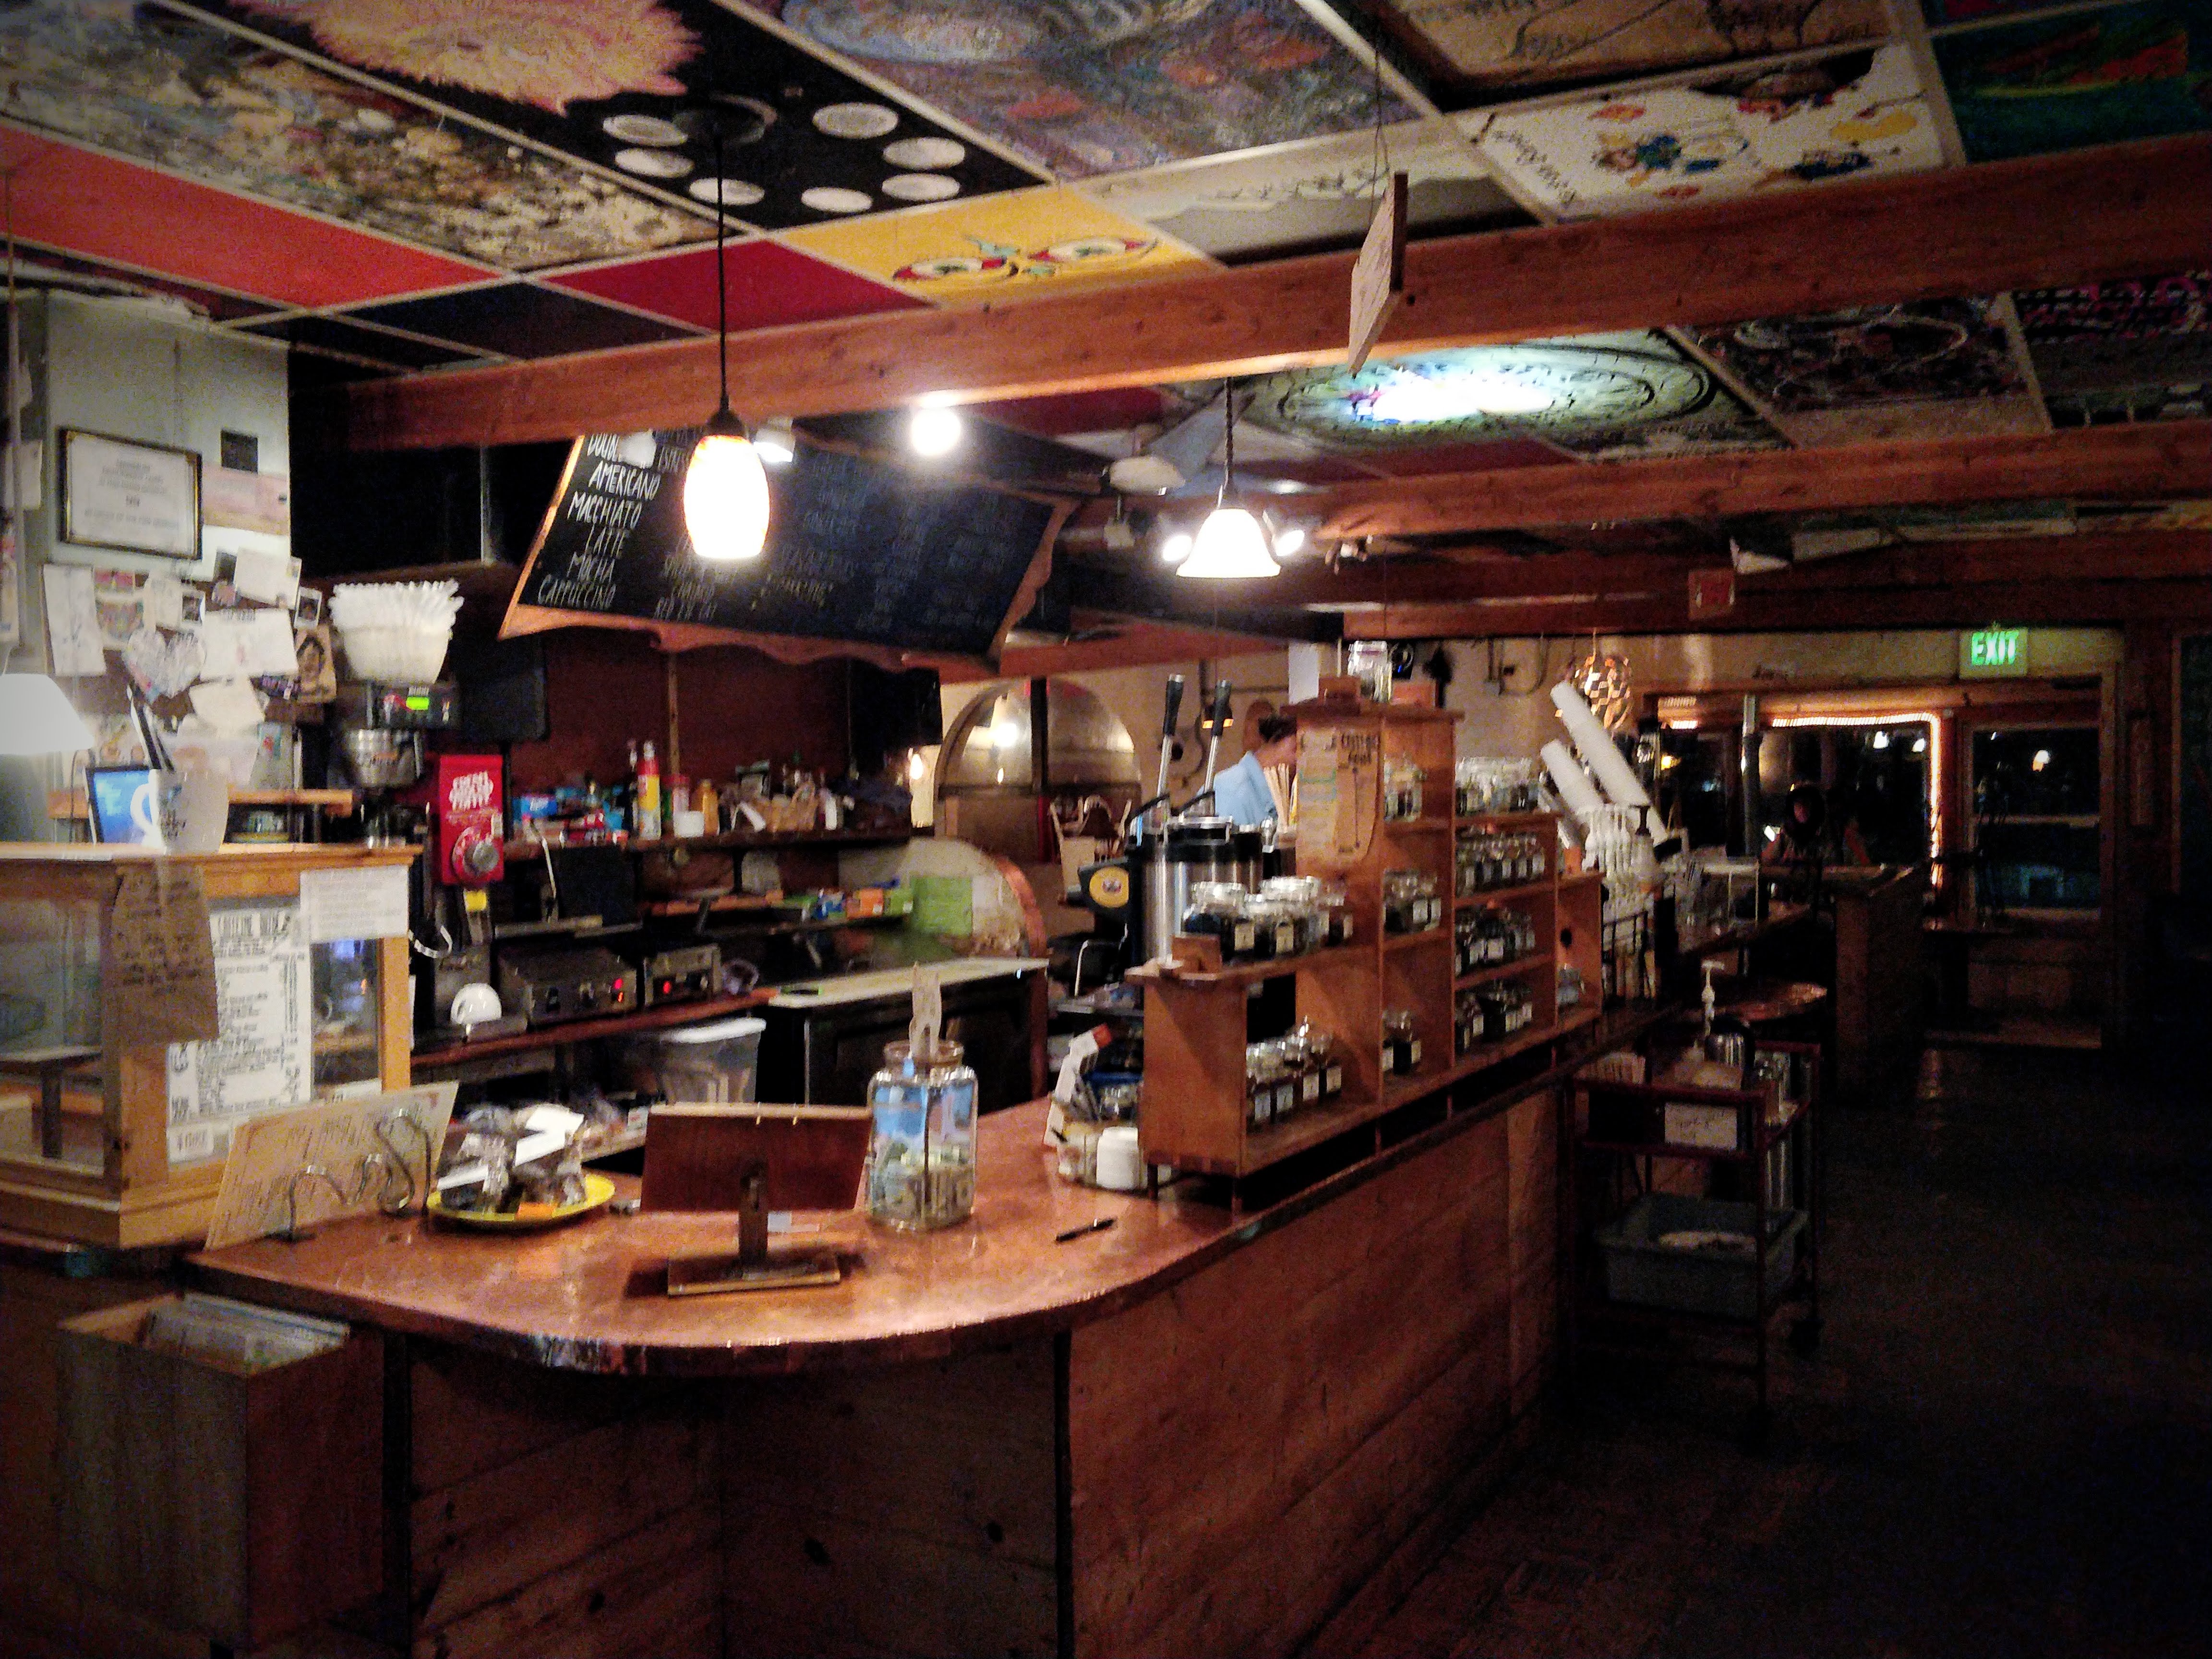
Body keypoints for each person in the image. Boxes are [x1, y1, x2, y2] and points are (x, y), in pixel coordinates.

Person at [1211, 712, 1297, 828]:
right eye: (1297, 747)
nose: (1301, 759)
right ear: (1275, 738)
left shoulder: (1282, 796)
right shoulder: (1231, 791)